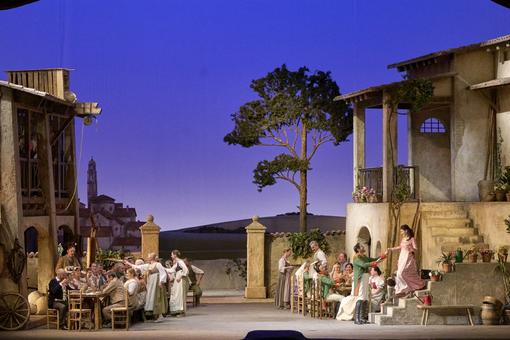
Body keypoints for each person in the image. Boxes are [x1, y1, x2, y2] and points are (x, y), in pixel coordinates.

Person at [336, 243, 384, 323]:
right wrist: (372, 264)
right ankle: (357, 318)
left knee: (364, 297)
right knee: (360, 297)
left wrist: (382, 257)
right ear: (358, 249)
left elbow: (373, 259)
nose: (363, 247)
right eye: (361, 246)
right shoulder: (356, 257)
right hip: (360, 278)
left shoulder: (363, 256)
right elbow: (363, 265)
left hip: (365, 277)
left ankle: (362, 317)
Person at [125, 253, 168, 321]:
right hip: (151, 282)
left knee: (157, 297)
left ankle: (160, 315)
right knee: (152, 297)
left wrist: (161, 281)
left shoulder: (158, 264)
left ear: (152, 257)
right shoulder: (148, 265)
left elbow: (163, 273)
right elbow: (138, 267)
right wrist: (128, 263)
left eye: (149, 256)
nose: (148, 257)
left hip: (156, 281)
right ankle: (155, 315)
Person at [386, 224, 425, 298]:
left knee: (402, 273)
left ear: (406, 230)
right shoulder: (403, 239)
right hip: (402, 257)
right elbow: (400, 247)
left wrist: (410, 249)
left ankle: (417, 285)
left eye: (401, 231)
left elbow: (416, 249)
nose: (401, 233)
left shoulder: (412, 239)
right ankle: (404, 290)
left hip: (408, 258)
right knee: (398, 274)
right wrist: (391, 249)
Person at [167, 250, 189, 316]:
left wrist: (181, 276)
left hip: (181, 280)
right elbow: (171, 270)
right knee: (177, 295)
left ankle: (182, 312)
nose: (171, 256)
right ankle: (177, 311)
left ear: (175, 255)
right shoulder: (177, 263)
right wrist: (161, 268)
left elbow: (186, 270)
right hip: (177, 280)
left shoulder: (180, 262)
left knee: (181, 295)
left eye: (172, 254)